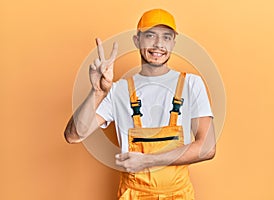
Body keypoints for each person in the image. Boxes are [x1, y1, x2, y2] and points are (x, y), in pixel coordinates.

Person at [64, 8, 216, 200]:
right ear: (137, 40)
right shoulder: (117, 90)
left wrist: (147, 161)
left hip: (179, 195)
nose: (159, 44)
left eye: (166, 37)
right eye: (150, 35)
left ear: (173, 44)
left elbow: (207, 148)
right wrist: (97, 91)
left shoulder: (191, 85)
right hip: (133, 195)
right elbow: (74, 135)